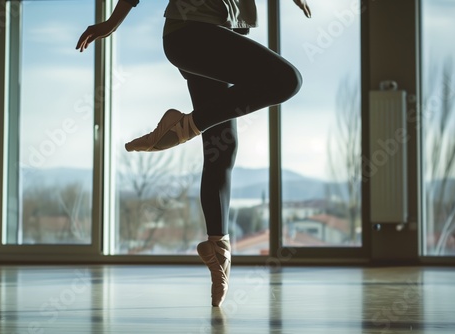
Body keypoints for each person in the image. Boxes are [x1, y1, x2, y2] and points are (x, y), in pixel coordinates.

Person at [76, 0, 311, 307]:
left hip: (206, 37)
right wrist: (112, 22)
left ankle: (218, 250)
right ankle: (183, 127)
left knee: (221, 144)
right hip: (193, 33)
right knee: (286, 79)